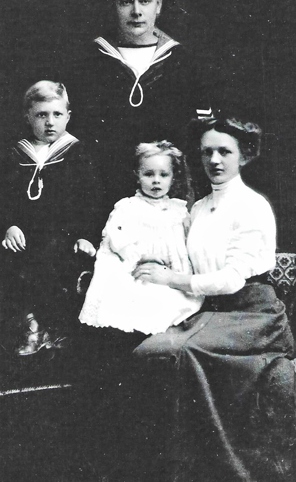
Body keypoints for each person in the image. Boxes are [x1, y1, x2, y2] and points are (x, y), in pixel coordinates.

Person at [132, 117, 296, 482]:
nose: (215, 160)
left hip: (254, 316)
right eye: (207, 152)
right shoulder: (199, 206)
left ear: (245, 156)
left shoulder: (253, 206)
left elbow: (232, 280)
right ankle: (179, 478)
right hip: (209, 311)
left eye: (225, 151)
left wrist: (172, 279)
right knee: (148, 349)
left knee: (181, 354)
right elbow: (187, 263)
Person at [69, 0, 208, 218]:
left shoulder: (183, 62)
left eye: (144, 1)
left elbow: (198, 134)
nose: (136, 11)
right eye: (125, 2)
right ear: (113, 6)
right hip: (104, 188)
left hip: (167, 191)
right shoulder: (90, 62)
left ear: (159, 4)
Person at [0, 81, 99, 356]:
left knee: (52, 258)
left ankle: (51, 328)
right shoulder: (17, 154)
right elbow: (3, 196)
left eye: (57, 115)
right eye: (41, 115)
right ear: (28, 117)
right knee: (13, 258)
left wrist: (85, 234)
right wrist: (10, 225)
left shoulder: (76, 153)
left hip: (64, 233)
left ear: (68, 115)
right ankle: (30, 324)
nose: (50, 122)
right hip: (26, 232)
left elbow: (89, 200)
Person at [78, 141, 203, 336]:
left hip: (169, 271)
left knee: (172, 301)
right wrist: (140, 256)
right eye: (148, 174)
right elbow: (116, 237)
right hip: (135, 269)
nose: (156, 181)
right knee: (134, 298)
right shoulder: (128, 207)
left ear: (172, 178)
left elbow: (186, 243)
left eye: (163, 175)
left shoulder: (178, 210)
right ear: (137, 176)